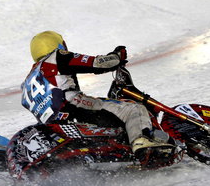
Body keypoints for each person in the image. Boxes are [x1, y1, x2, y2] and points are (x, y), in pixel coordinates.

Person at [22, 31, 173, 163]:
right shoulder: (56, 57)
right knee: (134, 108)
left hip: (53, 126)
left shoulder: (28, 80)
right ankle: (141, 142)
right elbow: (98, 63)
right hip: (73, 107)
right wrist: (117, 56)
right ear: (58, 45)